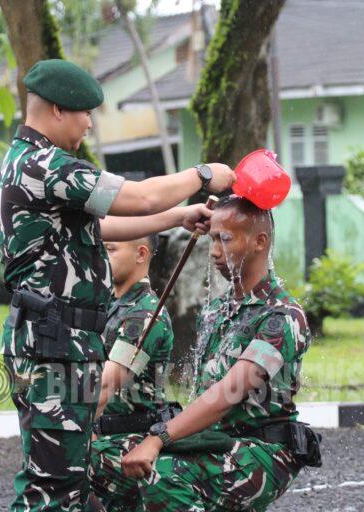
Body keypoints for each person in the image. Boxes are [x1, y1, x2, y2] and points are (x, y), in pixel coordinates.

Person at [0, 59, 235, 512]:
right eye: (85, 113)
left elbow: (98, 227)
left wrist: (177, 217)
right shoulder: (49, 166)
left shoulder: (24, 164)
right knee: (53, 491)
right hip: (55, 345)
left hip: (55, 341)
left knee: (62, 482)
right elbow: (139, 196)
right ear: (59, 110)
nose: (88, 123)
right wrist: (203, 176)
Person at [91, 195, 320, 511]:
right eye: (212, 239)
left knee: (160, 473)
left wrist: (158, 438)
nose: (214, 252)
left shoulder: (281, 317)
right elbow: (202, 392)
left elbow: (228, 393)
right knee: (96, 460)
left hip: (263, 451)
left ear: (259, 242)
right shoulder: (215, 310)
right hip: (212, 442)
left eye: (225, 239)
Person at [86, 235, 178, 511]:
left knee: (61, 460)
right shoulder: (109, 306)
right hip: (105, 437)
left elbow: (103, 388)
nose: (101, 257)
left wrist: (66, 430)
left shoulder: (145, 315)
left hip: (133, 442)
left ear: (140, 254)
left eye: (110, 249)